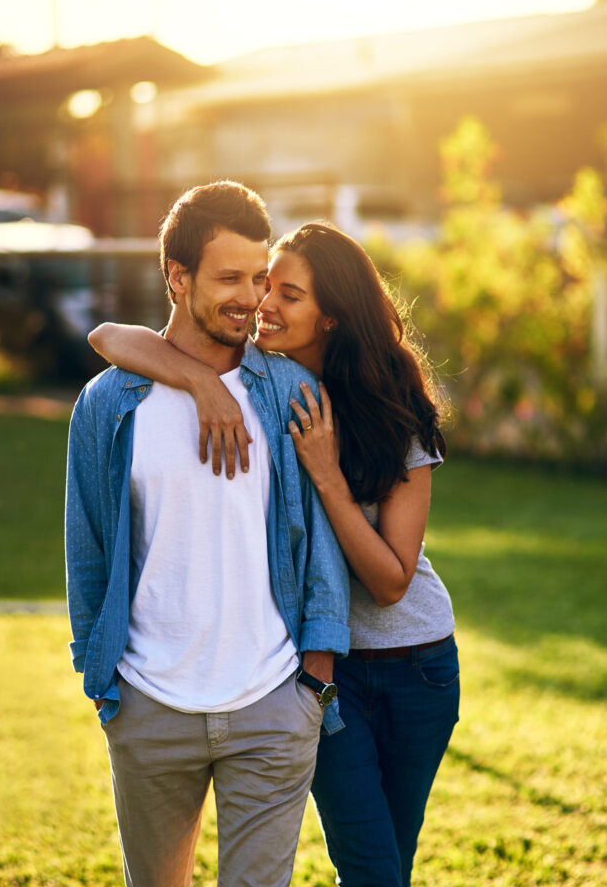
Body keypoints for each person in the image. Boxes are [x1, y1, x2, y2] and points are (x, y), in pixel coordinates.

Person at [89, 218, 459, 887]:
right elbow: (109, 337)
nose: (263, 302)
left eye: (286, 293)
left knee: (386, 865)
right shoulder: (271, 388)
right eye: (264, 285)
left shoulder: (385, 410)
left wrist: (327, 475)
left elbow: (391, 584)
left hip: (414, 663)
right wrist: (201, 382)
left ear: (331, 317)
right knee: (371, 867)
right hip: (326, 670)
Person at [65, 184, 351, 887]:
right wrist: (103, 686)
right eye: (229, 279)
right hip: (148, 705)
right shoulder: (108, 404)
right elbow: (87, 548)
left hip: (272, 704)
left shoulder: (288, 391)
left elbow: (319, 543)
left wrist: (313, 684)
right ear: (178, 278)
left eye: (258, 278)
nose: (251, 299)